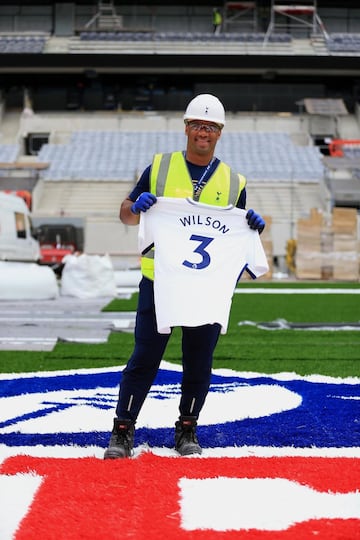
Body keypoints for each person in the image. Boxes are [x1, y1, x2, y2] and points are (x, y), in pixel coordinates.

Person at [104, 94, 265, 459]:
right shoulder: (159, 167)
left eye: (209, 127)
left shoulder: (234, 180)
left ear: (219, 133)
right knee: (144, 356)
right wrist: (137, 206)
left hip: (205, 287)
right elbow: (125, 214)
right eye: (196, 125)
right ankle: (122, 429)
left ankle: (187, 428)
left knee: (198, 361)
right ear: (186, 128)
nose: (202, 132)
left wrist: (253, 229)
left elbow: (236, 237)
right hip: (160, 281)